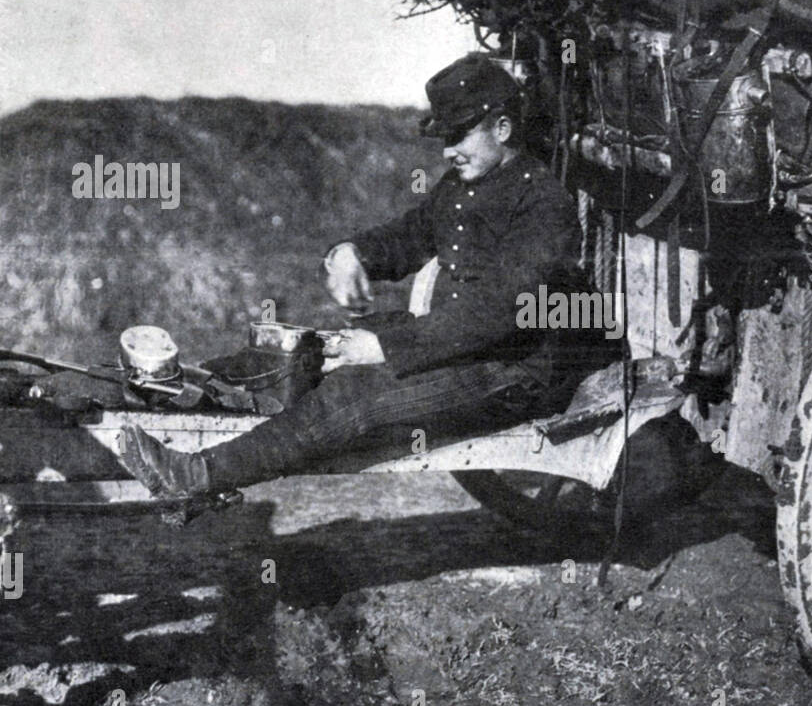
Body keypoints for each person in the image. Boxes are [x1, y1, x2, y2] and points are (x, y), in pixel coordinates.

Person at [116, 52, 613, 512]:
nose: (447, 152)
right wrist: (354, 253)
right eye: (443, 138)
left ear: (503, 128)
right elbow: (413, 233)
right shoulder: (464, 185)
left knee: (352, 396)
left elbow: (501, 313)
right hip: (467, 348)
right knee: (303, 357)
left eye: (459, 135)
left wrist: (386, 347)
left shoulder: (543, 204)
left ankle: (195, 477)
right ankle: (171, 399)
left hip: (518, 370)